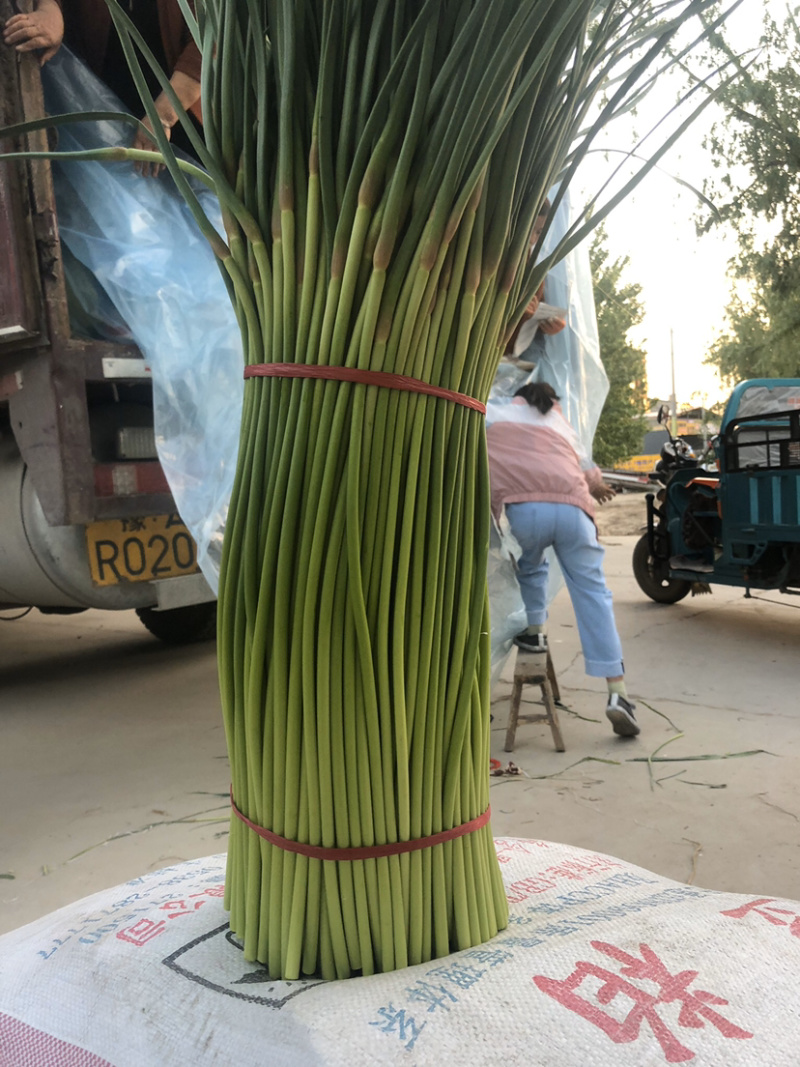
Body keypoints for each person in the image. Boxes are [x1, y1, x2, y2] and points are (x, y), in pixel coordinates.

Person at [486, 381, 640, 738]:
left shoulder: (494, 414)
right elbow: (589, 472)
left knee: (529, 564)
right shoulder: (562, 424)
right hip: (574, 514)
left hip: (524, 510)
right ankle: (618, 694)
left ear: (519, 396)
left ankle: (535, 631)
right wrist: (598, 486)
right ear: (551, 401)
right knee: (593, 595)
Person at [3, 0, 201, 176]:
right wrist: (50, 8)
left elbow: (209, 44)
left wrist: (162, 117)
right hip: (95, 109)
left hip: (180, 108)